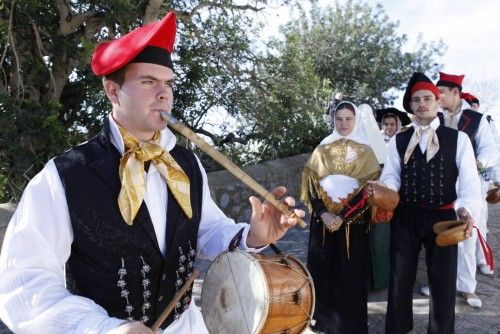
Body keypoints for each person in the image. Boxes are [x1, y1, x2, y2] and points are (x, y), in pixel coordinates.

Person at [0, 12, 304, 334]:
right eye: (148, 82)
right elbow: (24, 283)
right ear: (112, 92)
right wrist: (105, 328)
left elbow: (206, 231)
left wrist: (252, 236)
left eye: (168, 83)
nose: (164, 93)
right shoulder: (64, 177)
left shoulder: (186, 164)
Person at [379, 72, 481, 334]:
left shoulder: (458, 139)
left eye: (427, 98)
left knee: (444, 283)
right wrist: (387, 191)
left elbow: (469, 181)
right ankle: (398, 329)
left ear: (437, 102)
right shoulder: (399, 140)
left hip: (443, 217)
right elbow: (391, 175)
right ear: (411, 106)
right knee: (400, 279)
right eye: (416, 100)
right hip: (406, 216)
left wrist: (465, 209)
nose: (422, 104)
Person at [301, 101, 381, 333]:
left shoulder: (366, 152)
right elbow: (311, 184)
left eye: (349, 119)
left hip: (353, 225)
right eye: (339, 119)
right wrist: (325, 213)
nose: (344, 123)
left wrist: (344, 216)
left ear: (356, 121)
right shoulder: (322, 149)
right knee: (322, 272)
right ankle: (321, 323)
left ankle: (351, 326)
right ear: (333, 120)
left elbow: (370, 188)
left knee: (351, 275)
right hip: (323, 223)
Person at [436, 72, 498, 306]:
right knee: (439, 232)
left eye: (442, 92)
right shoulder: (435, 116)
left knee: (466, 233)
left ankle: (467, 287)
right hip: (440, 183)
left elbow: (490, 150)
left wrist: (476, 166)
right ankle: (438, 282)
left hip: (468, 184)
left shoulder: (477, 118)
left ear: (455, 93)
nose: (438, 96)